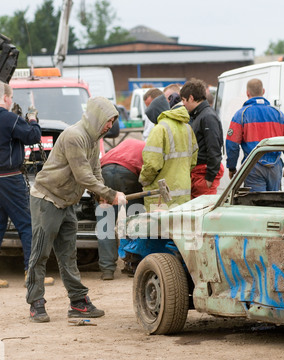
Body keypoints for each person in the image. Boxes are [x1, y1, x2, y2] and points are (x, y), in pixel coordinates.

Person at [26, 96, 127, 323]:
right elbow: (83, 175)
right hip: (47, 199)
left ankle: (78, 302)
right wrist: (112, 195)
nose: (110, 126)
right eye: (108, 120)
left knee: (69, 256)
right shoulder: (74, 136)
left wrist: (100, 195)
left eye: (112, 121)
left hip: (67, 202)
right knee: (40, 254)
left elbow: (95, 171)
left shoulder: (92, 139)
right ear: (96, 117)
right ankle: (36, 302)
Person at [0, 81, 54, 288]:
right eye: (11, 97)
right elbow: (33, 136)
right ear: (5, 98)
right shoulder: (9, 119)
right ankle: (31, 273)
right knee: (27, 224)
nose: (11, 101)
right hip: (10, 179)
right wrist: (32, 119)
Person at [226, 78, 284, 191]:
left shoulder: (241, 115)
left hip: (252, 167)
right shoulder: (279, 114)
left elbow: (232, 145)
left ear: (247, 93)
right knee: (274, 204)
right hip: (275, 167)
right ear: (263, 91)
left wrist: (232, 167)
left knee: (257, 205)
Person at [96, 138, 146, 280]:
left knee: (105, 223)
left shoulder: (120, 147)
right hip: (128, 174)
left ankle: (107, 269)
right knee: (134, 220)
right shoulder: (146, 148)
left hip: (105, 171)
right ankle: (133, 263)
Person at [139, 93, 198, 211]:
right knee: (180, 227)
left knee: (159, 228)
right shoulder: (187, 128)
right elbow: (193, 161)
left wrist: (143, 180)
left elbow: (152, 164)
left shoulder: (159, 129)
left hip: (161, 197)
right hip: (183, 193)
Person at [180, 78, 224, 199]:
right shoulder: (199, 116)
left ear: (191, 98)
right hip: (198, 174)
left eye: (184, 100)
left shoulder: (207, 117)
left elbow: (214, 148)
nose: (183, 104)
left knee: (201, 212)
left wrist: (209, 178)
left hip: (203, 175)